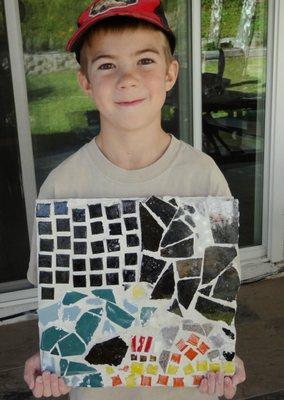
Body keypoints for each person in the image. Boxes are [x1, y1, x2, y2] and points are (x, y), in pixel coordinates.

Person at [24, 0, 246, 399]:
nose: (127, 79)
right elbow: (57, 302)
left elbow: (215, 297)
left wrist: (225, 356)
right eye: (107, 65)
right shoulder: (62, 187)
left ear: (170, 74)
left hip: (189, 390)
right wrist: (49, 355)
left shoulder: (204, 177)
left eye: (145, 61)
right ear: (85, 82)